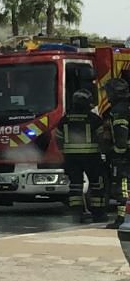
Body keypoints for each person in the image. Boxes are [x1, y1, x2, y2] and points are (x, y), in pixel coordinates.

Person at [58, 88, 107, 224]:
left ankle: (77, 213)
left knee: (75, 186)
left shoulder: (65, 119)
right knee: (97, 185)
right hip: (92, 157)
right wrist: (104, 152)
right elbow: (101, 138)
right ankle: (98, 214)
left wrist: (64, 151)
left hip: (71, 159)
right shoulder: (94, 119)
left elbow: (58, 138)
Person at [100, 77, 130, 228]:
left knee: (122, 186)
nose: (107, 95)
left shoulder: (119, 110)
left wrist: (117, 153)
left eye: (108, 92)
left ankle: (122, 219)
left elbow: (121, 135)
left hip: (124, 156)